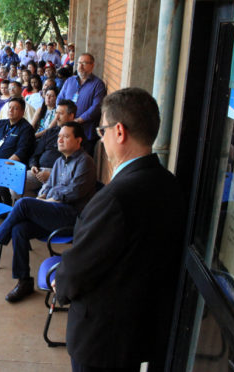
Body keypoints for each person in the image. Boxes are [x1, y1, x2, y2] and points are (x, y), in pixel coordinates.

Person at [54, 88, 185, 371]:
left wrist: (59, 286)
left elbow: (78, 267)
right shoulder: (168, 183)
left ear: (120, 132)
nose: (101, 139)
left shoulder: (115, 197)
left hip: (103, 338)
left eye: (102, 131)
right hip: (139, 330)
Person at [0, 121, 95, 303]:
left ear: (78, 140)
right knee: (19, 229)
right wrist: (43, 197)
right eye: (59, 136)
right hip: (54, 213)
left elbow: (75, 192)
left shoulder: (85, 161)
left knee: (24, 204)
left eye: (66, 136)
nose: (60, 140)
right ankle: (24, 281)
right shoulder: (59, 161)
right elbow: (47, 186)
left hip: (71, 218)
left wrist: (50, 198)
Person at [57, 53, 106, 157]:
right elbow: (60, 99)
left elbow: (96, 107)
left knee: (82, 162)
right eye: (79, 63)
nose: (80, 66)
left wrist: (78, 120)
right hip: (66, 131)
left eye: (84, 63)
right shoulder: (69, 81)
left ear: (92, 65)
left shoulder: (98, 84)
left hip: (86, 134)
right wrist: (62, 116)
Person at [25, 99, 77, 197]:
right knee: (17, 185)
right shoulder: (50, 132)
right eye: (56, 113)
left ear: (71, 116)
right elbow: (36, 154)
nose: (56, 117)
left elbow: (73, 167)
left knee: (45, 195)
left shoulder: (77, 136)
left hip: (59, 174)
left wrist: (52, 175)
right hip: (38, 171)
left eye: (60, 114)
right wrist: (33, 166)